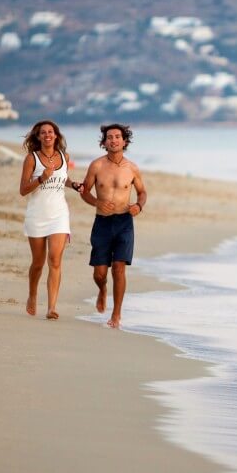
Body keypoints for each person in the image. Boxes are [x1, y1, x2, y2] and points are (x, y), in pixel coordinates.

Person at [79, 123, 147, 329]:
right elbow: (84, 191)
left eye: (118, 136)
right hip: (102, 223)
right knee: (100, 273)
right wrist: (97, 202)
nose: (114, 140)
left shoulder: (132, 168)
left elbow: (142, 193)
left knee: (119, 268)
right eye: (110, 137)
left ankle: (116, 314)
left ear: (124, 141)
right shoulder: (97, 166)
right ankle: (102, 289)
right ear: (104, 142)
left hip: (124, 222)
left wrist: (138, 206)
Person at [19, 120, 76, 320]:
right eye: (43, 133)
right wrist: (41, 178)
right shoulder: (31, 159)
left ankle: (52, 307)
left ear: (56, 135)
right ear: (38, 137)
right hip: (37, 215)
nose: (47, 135)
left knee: (55, 259)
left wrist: (74, 184)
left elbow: (62, 178)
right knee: (38, 262)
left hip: (59, 215)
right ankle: (32, 295)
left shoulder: (64, 156)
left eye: (50, 132)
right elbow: (23, 190)